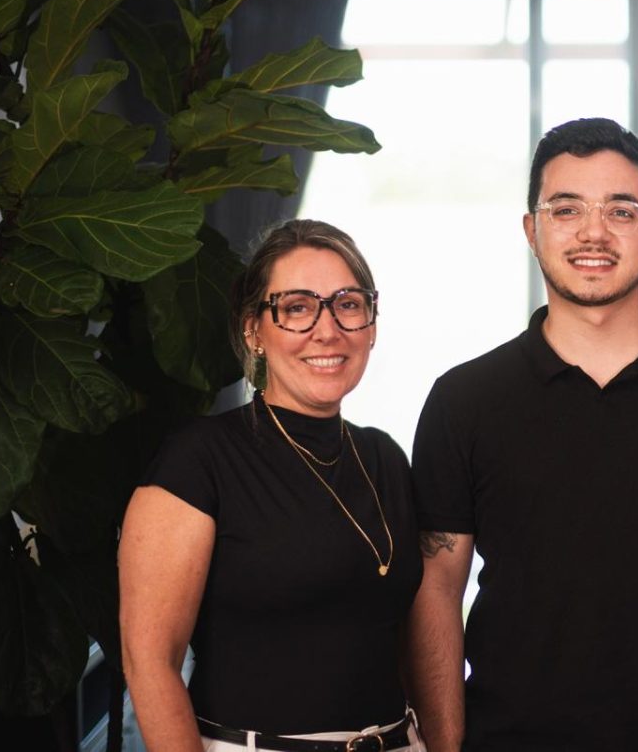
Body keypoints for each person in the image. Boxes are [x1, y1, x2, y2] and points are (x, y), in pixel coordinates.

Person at [405, 117, 638, 752]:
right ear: (531, 230)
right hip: (512, 740)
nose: (593, 232)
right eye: (566, 209)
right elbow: (437, 588)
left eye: (621, 210)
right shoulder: (464, 399)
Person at [119, 220, 424, 752]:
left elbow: (405, 639)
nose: (327, 330)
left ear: (371, 324)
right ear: (254, 331)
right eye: (298, 307)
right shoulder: (198, 461)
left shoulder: (385, 457)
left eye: (347, 304)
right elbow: (149, 662)